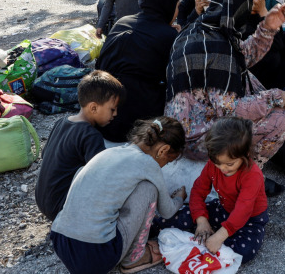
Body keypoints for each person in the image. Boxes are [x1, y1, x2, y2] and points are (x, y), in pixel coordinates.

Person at [164, 0, 285, 172]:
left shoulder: (199, 29)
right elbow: (231, 111)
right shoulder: (217, 47)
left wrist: (268, 27)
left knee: (252, 83)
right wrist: (277, 96)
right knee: (281, 118)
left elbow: (242, 57)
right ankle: (245, 173)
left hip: (186, 127)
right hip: (196, 140)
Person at [50, 117, 187, 274]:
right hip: (95, 255)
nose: (165, 166)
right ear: (163, 150)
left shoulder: (108, 153)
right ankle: (134, 258)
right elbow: (167, 211)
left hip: (61, 243)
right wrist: (179, 199)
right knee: (148, 189)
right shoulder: (147, 163)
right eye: (168, 161)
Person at [158, 117, 268, 264]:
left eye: (229, 164)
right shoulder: (212, 165)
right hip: (223, 209)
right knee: (183, 215)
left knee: (245, 251)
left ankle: (205, 245)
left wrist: (220, 236)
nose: (223, 169)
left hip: (250, 220)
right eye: (218, 163)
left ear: (246, 155)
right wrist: (201, 220)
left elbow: (243, 209)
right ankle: (149, 227)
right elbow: (198, 190)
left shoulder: (252, 175)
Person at [97, 0, 181, 143]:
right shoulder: (169, 37)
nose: (177, 12)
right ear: (168, 6)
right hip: (139, 127)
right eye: (177, 6)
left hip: (104, 119)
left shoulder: (122, 22)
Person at [35, 71, 122, 221]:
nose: (115, 114)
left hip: (43, 202)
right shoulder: (90, 135)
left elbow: (45, 155)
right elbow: (102, 177)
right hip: (61, 210)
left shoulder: (61, 122)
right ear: (93, 108)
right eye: (112, 109)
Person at [235, 0, 285, 91]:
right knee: (271, 55)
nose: (253, 2)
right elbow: (272, 44)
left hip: (267, 74)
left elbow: (276, 41)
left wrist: (263, 12)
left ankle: (278, 87)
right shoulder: (234, 15)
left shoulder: (260, 14)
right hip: (241, 70)